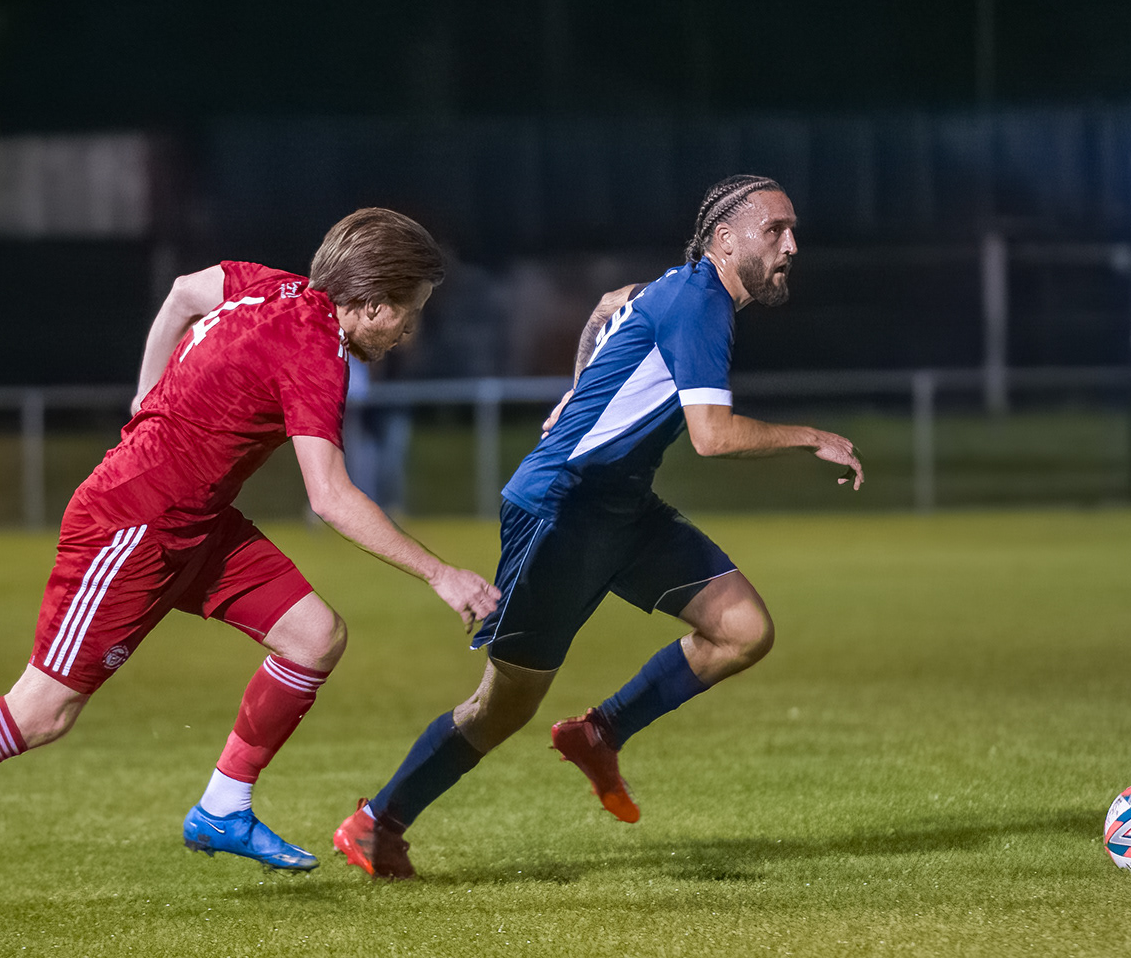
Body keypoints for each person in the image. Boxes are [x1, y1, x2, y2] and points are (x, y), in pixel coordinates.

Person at [0, 208, 501, 919]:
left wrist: (144, 396)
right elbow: (329, 497)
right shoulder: (314, 351)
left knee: (313, 635)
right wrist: (440, 573)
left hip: (196, 523)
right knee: (41, 712)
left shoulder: (268, 286)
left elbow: (183, 293)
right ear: (374, 303)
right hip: (130, 525)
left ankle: (223, 806)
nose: (409, 332)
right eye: (410, 313)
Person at [333, 175, 864, 879]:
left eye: (792, 231)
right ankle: (377, 822)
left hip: (622, 504)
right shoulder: (700, 300)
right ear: (725, 240)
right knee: (502, 707)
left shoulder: (680, 290)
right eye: (775, 230)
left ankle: (599, 732)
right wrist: (810, 436)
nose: (791, 245)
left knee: (743, 630)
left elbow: (608, 304)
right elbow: (711, 436)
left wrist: (581, 389)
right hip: (562, 508)